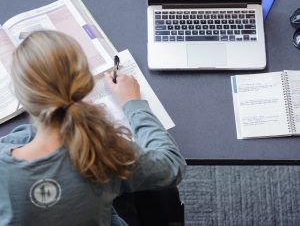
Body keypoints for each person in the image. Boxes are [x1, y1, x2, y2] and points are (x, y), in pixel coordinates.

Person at [0, 30, 186, 226]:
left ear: (22, 96)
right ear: (84, 83)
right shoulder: (103, 150)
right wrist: (133, 104)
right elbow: (171, 165)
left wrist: (43, 129)